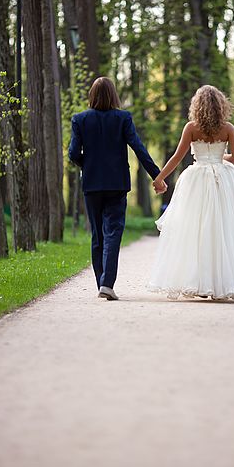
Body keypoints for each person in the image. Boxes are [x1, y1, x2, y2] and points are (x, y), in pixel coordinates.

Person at [148, 85, 234, 301]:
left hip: (196, 179)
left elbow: (177, 157)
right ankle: (221, 284)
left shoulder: (191, 128)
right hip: (223, 181)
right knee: (222, 231)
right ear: (220, 106)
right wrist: (219, 158)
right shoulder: (228, 128)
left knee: (194, 230)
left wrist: (160, 177)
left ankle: (197, 282)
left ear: (197, 106)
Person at [69, 76, 167, 301]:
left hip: (92, 185)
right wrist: (157, 176)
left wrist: (89, 165)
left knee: (97, 235)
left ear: (91, 95)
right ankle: (107, 283)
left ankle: (101, 284)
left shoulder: (80, 119)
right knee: (113, 232)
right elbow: (138, 148)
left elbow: (74, 154)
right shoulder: (123, 118)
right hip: (116, 184)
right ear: (114, 95)